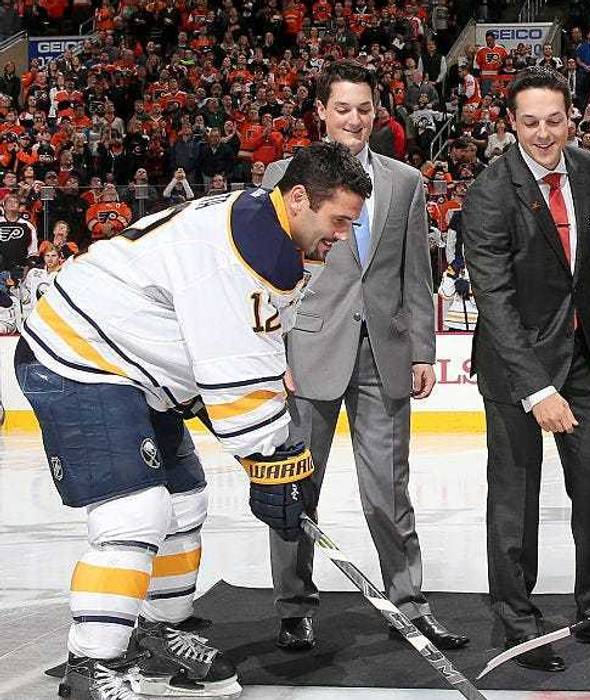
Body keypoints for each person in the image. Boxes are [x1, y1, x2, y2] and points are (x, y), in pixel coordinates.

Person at [15, 141, 370, 700]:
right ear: (299, 199)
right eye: (339, 220)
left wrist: (272, 449)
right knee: (136, 511)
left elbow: (249, 351)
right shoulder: (247, 243)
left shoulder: (271, 230)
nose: (343, 234)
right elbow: (234, 367)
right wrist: (270, 459)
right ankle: (91, 665)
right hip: (80, 353)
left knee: (185, 502)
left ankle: (159, 632)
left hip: (142, 366)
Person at [260, 60, 464, 653]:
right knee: (297, 488)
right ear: (320, 111)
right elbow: (270, 273)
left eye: (365, 108)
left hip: (385, 353)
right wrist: (276, 350)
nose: (354, 119)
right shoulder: (284, 175)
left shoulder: (404, 180)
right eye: (342, 108)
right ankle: (294, 606)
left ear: (378, 113)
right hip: (308, 356)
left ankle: (410, 604)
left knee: (389, 491)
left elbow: (414, 272)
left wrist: (423, 348)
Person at [461, 67, 590, 673]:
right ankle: (518, 625)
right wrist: (537, 388)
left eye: (554, 121)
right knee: (515, 499)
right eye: (530, 123)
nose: (544, 134)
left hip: (580, 359)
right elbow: (494, 301)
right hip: (515, 368)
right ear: (510, 125)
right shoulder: (490, 192)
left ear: (570, 118)